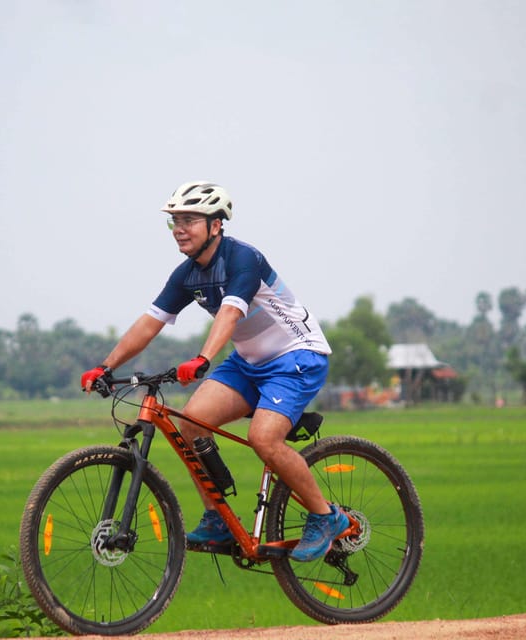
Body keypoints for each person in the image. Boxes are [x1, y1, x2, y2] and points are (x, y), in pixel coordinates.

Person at [80, 180, 348, 562]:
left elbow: (231, 311)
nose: (179, 229)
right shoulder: (187, 274)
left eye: (189, 220)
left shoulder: (243, 259)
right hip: (248, 362)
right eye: (175, 221)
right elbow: (149, 323)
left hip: (296, 357)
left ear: (216, 225)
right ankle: (218, 518)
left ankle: (326, 517)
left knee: (265, 440)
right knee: (190, 423)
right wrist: (105, 366)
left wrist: (204, 358)